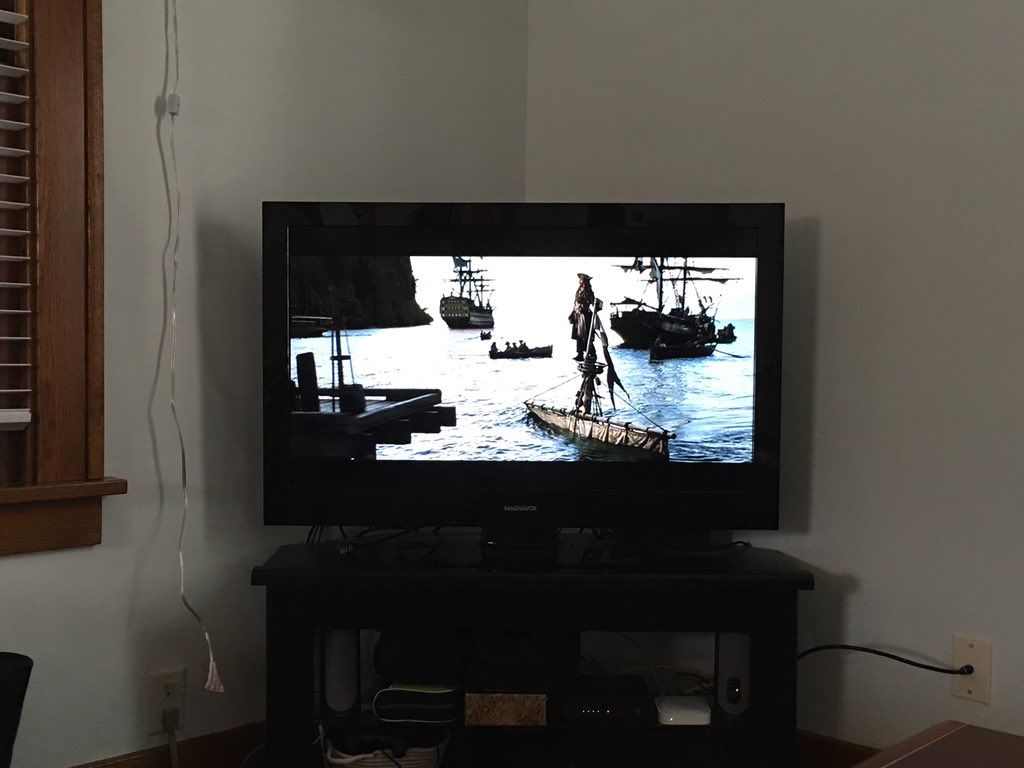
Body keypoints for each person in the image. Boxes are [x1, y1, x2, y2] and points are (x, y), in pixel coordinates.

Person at [569, 273, 596, 361]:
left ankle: (592, 353)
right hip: (578, 314)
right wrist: (573, 313)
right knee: (578, 336)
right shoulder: (579, 290)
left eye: (581, 279)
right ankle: (580, 354)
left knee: (586, 335)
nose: (580, 281)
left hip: (584, 315)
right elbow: (576, 302)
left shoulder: (588, 291)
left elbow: (592, 301)